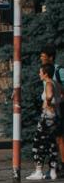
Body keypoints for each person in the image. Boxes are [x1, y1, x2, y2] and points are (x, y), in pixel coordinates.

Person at [27, 64, 61, 181]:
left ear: (45, 73)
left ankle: (38, 171)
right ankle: (52, 171)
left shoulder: (48, 84)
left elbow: (50, 95)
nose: (39, 74)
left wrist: (48, 102)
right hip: (55, 117)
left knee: (38, 143)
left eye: (40, 72)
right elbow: (60, 96)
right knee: (52, 144)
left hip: (47, 117)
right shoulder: (56, 83)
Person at [40, 45, 64, 173]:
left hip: (59, 108)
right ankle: (55, 166)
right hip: (50, 110)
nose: (41, 59)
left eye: (44, 57)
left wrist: (58, 97)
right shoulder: (45, 71)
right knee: (53, 139)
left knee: (60, 138)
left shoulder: (59, 71)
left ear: (51, 57)